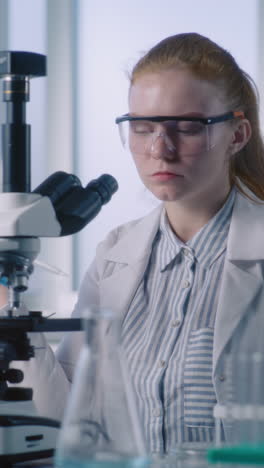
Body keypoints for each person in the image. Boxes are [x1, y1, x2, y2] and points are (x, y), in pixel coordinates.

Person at [12, 32, 264, 453]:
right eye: (142, 127)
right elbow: (70, 417)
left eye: (186, 127)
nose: (160, 150)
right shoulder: (115, 254)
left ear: (237, 136)